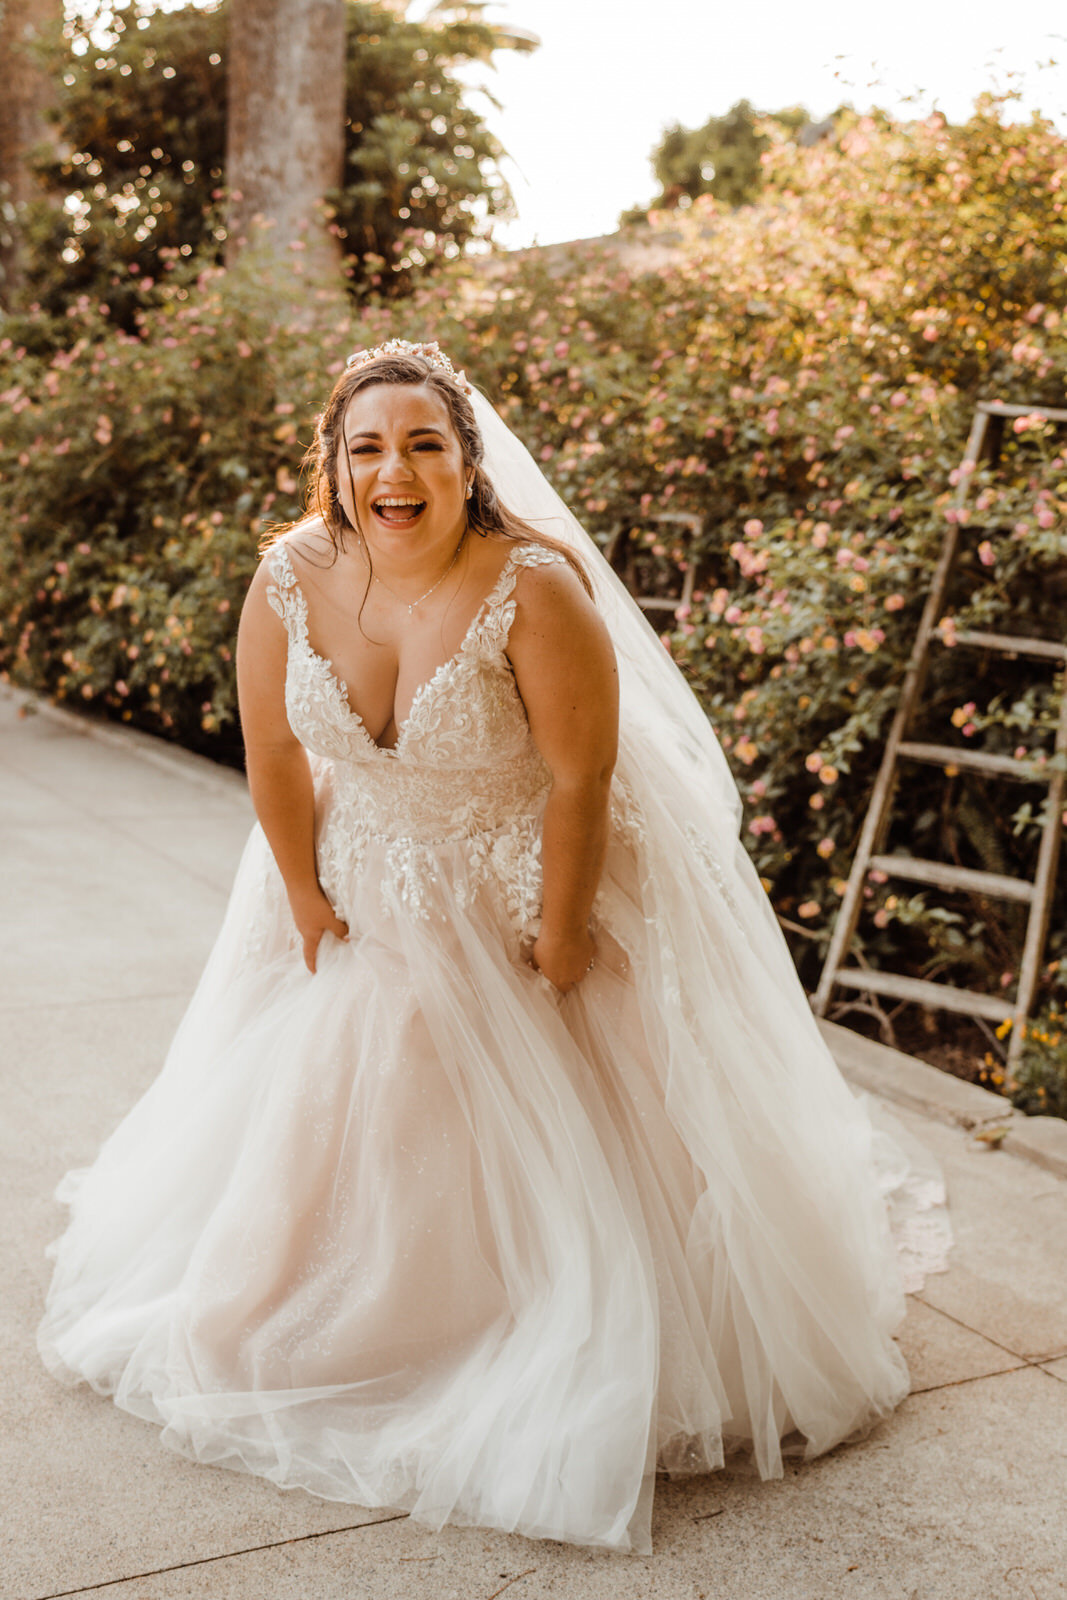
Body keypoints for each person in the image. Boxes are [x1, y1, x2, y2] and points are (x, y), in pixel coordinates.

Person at [38, 340, 951, 1556]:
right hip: (363, 884)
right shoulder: (286, 577)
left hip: (517, 890)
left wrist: (563, 931)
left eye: (423, 444)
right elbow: (273, 751)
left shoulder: (533, 588)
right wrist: (303, 893)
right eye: (366, 447)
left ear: (470, 463)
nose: (393, 471)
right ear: (334, 464)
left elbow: (581, 777)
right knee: (312, 1178)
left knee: (559, 1160)